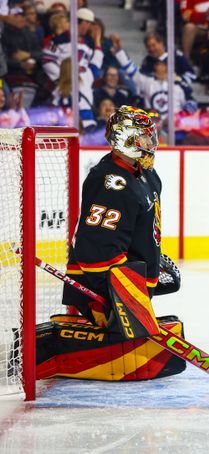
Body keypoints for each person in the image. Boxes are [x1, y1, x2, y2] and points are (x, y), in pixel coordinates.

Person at [59, 106, 185, 380]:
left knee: (169, 279)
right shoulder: (109, 184)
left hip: (131, 271)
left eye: (151, 137)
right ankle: (110, 326)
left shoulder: (145, 173)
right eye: (144, 138)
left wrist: (151, 262)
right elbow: (95, 255)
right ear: (124, 139)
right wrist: (120, 302)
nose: (151, 144)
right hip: (105, 282)